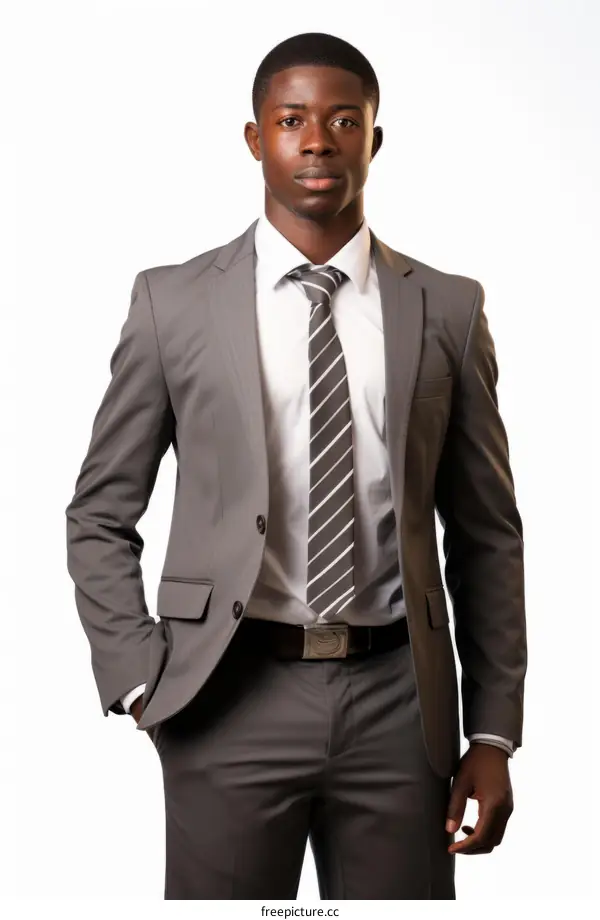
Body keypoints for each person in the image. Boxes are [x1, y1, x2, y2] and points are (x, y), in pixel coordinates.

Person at [65, 31, 527, 900]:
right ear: (256, 140)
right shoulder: (173, 303)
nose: (317, 140)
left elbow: (488, 536)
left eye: (343, 120)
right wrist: (138, 682)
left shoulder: (449, 309)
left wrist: (493, 735)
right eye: (292, 121)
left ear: (373, 141)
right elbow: (98, 512)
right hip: (226, 697)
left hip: (402, 706)